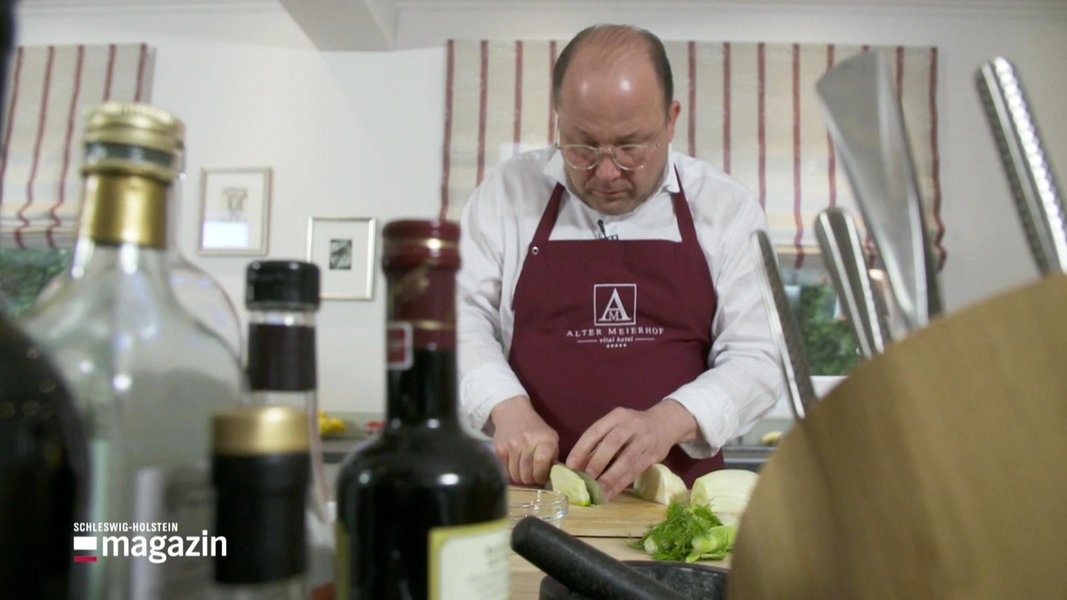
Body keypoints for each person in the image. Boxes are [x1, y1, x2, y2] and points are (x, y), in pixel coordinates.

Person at [457, 24, 783, 500]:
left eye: (631, 147)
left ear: (671, 120)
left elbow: (759, 357)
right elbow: (459, 321)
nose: (606, 173)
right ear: (558, 121)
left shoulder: (726, 208)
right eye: (582, 147)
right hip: (536, 502)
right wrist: (506, 407)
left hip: (680, 505)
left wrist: (667, 421)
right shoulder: (507, 194)